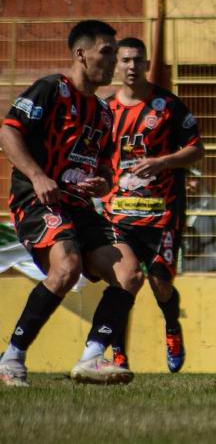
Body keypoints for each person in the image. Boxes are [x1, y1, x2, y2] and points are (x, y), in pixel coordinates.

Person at [0, 20, 143, 387]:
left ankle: (92, 357)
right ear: (81, 54)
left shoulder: (103, 112)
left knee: (129, 273)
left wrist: (101, 183)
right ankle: (11, 359)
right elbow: (8, 130)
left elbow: (105, 170)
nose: (113, 62)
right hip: (37, 200)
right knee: (66, 267)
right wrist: (37, 176)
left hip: (78, 206)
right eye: (106, 52)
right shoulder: (51, 89)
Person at [103, 37, 205, 373]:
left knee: (160, 284)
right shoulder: (104, 110)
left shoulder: (168, 106)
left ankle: (172, 328)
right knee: (124, 280)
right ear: (116, 65)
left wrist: (163, 162)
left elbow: (196, 149)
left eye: (138, 60)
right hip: (118, 215)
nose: (132, 67)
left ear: (147, 65)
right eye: (125, 60)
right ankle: (118, 353)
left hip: (162, 214)